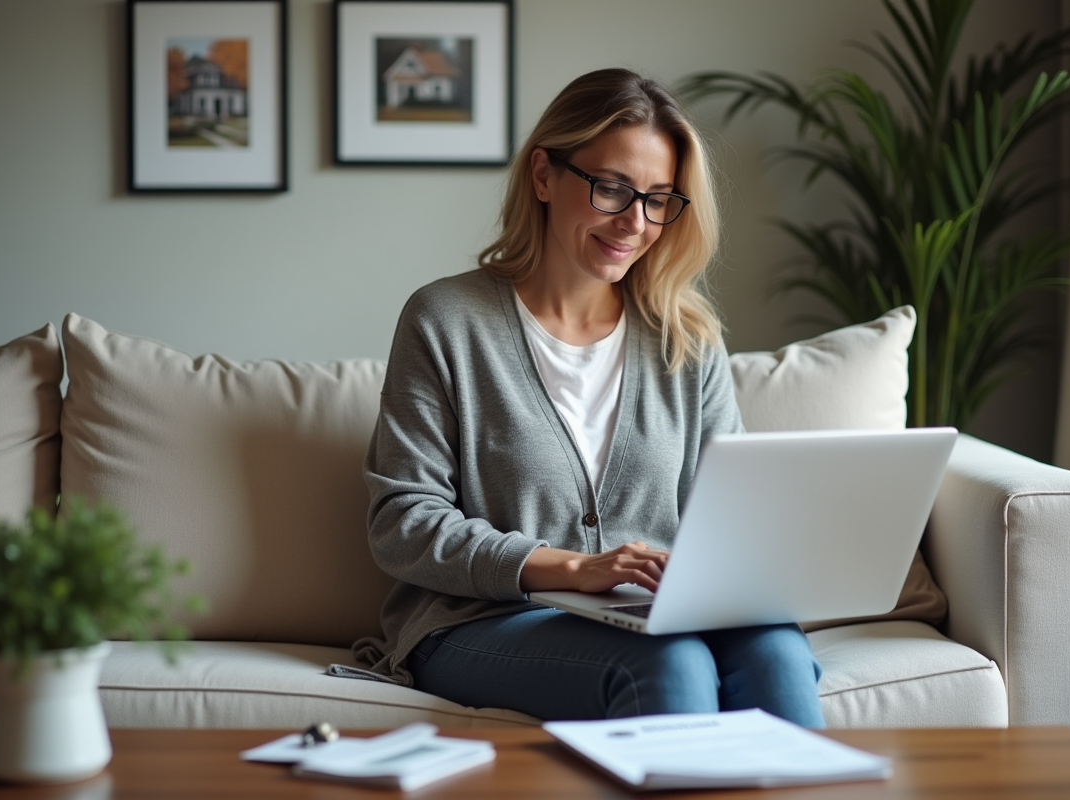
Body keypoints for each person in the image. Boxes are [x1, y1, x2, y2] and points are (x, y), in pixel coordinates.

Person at [353, 68, 824, 727]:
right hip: (485, 621)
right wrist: (574, 568)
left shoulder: (685, 339)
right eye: (612, 189)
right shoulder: (446, 320)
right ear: (544, 176)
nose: (635, 222)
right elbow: (402, 523)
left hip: (652, 615)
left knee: (775, 651)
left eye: (659, 199)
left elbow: (730, 517)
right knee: (670, 662)